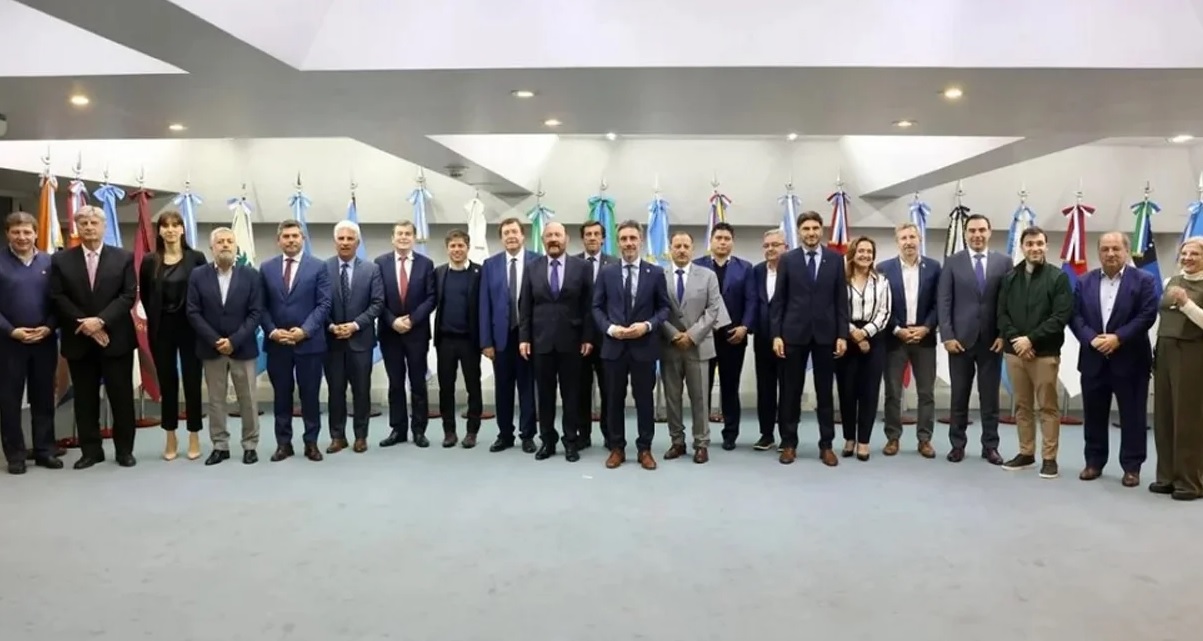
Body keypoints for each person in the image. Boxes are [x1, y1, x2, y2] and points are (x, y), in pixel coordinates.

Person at [48, 205, 137, 469]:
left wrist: (100, 321)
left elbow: (128, 295)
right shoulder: (61, 260)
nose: (89, 227)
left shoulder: (123, 257)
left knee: (121, 398)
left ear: (104, 226)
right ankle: (91, 451)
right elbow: (57, 296)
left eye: (94, 223)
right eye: (84, 223)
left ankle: (124, 450)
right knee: (85, 400)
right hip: (79, 340)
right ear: (77, 227)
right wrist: (87, 325)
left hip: (115, 339)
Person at [1069, 231, 1158, 487]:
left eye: (1116, 249)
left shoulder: (1144, 280)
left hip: (1131, 360)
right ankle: (1094, 462)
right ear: (1098, 252)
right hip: (1093, 359)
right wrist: (1091, 339)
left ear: (1126, 251)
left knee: (1133, 417)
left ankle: (1132, 467)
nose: (1110, 254)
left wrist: (1118, 338)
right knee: (1094, 415)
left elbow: (1147, 315)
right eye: (1105, 249)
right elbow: (1074, 316)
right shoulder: (1083, 281)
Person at [770, 211, 849, 466]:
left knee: (825, 393)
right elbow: (779, 301)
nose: (811, 233)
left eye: (815, 228)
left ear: (821, 230)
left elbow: (841, 301)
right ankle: (788, 444)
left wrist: (842, 335)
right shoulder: (787, 259)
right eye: (806, 229)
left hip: (826, 336)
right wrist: (776, 335)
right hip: (793, 335)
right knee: (790, 392)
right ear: (799, 232)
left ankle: (826, 445)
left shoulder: (835, 260)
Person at [593, 220, 670, 470]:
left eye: (633, 238)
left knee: (644, 401)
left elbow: (664, 308)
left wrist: (647, 326)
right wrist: (610, 329)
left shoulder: (655, 273)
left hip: (644, 348)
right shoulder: (606, 273)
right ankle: (617, 447)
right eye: (624, 239)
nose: (628, 243)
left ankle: (644, 448)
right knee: (613, 400)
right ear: (618, 242)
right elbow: (596, 307)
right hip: (613, 347)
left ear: (641, 241)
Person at [996, 226, 1073, 479]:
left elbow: (1060, 316)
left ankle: (1049, 458)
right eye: (1030, 244)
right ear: (1022, 247)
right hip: (1015, 353)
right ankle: (1026, 452)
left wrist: (1031, 340)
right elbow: (1002, 314)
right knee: (1022, 406)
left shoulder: (1058, 278)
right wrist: (1018, 341)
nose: (1035, 248)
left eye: (1039, 243)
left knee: (1048, 407)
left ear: (1046, 246)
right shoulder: (1010, 278)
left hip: (1045, 353)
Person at [186, 227, 264, 465]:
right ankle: (220, 446)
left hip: (243, 347)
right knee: (216, 400)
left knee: (248, 399)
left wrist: (234, 340)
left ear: (236, 246)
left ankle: (250, 445)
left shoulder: (251, 275)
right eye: (220, 242)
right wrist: (215, 340)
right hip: (211, 348)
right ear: (212, 248)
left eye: (230, 241)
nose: (225, 245)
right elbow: (193, 311)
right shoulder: (198, 275)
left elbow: (256, 312)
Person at [936, 213, 1008, 465]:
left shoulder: (1004, 262)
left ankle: (991, 446)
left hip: (992, 341)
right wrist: (947, 336)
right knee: (959, 396)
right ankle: (957, 445)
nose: (977, 235)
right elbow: (944, 301)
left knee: (990, 398)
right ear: (966, 234)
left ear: (990, 232)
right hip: (960, 342)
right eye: (972, 231)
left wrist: (1003, 334)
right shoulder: (952, 262)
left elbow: (1007, 302)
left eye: (981, 230)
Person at [518, 222, 593, 462]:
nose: (553, 239)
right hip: (541, 343)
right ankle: (547, 441)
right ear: (543, 239)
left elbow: (589, 305)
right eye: (549, 235)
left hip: (572, 342)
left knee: (571, 395)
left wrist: (588, 336)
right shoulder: (532, 268)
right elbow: (525, 305)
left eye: (557, 235)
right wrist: (524, 338)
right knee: (545, 396)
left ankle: (571, 441)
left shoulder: (582, 267)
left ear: (566, 239)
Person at [260, 219, 331, 462]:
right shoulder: (266, 268)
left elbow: (324, 304)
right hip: (277, 344)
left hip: (309, 344)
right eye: (286, 236)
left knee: (310, 396)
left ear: (303, 239)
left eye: (295, 236)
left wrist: (305, 330)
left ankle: (311, 443)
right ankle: (283, 444)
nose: (291, 240)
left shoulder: (319, 266)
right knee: (281, 396)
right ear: (278, 240)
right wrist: (272, 331)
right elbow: (260, 306)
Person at [139, 209, 208, 461]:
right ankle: (170, 435)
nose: (170, 230)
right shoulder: (150, 261)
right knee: (167, 383)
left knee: (192, 382)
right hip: (162, 329)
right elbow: (146, 296)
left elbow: (205, 293)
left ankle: (194, 435)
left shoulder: (196, 258)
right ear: (159, 231)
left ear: (182, 229)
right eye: (165, 226)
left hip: (191, 328)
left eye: (175, 225)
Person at [0, 212, 63, 474]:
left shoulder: (50, 262)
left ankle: (45, 450)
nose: (22, 237)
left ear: (36, 233)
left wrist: (49, 327)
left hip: (43, 341)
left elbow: (59, 301)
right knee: (9, 401)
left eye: (27, 232)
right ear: (7, 234)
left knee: (43, 398)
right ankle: (15, 455)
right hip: (8, 343)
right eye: (16, 232)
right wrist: (11, 331)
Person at [661, 231, 729, 464]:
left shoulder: (708, 276)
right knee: (672, 398)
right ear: (670, 248)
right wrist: (673, 334)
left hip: (699, 346)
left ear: (693, 248)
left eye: (686, 246)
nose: (681, 250)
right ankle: (677, 442)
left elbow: (713, 309)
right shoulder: (660, 276)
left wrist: (691, 335)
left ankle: (701, 443)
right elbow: (656, 309)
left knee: (700, 398)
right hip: (669, 346)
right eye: (677, 246)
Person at [877, 222, 941, 458]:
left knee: (926, 393)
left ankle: (924, 439)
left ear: (919, 239)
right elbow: (881, 305)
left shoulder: (934, 268)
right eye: (903, 238)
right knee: (893, 393)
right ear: (897, 242)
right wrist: (896, 329)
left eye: (912, 237)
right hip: (895, 339)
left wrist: (926, 327)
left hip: (924, 339)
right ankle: (893, 438)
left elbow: (939, 303)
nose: (908, 242)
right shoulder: (884, 269)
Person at [479, 217, 539, 453]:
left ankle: (528, 435)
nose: (511, 236)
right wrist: (486, 341)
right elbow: (484, 305)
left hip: (529, 338)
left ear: (523, 235)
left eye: (515, 231)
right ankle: (505, 434)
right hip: (500, 338)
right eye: (506, 233)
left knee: (527, 388)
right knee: (503, 389)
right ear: (501, 238)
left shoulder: (538, 261)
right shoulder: (490, 265)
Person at [323, 221, 384, 454]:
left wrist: (355, 325)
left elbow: (377, 303)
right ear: (334, 242)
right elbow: (319, 302)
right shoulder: (323, 268)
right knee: (335, 392)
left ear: (357, 243)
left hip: (361, 342)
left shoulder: (371, 269)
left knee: (361, 391)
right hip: (332, 342)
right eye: (341, 238)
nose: (345, 242)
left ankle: (361, 436)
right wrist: (331, 326)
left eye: (350, 239)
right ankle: (337, 437)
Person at [375, 220, 436, 449]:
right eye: (399, 233)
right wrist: (392, 321)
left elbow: (431, 297)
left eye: (408, 234)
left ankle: (419, 430)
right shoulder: (380, 263)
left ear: (414, 238)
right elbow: (377, 298)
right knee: (395, 383)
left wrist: (411, 319)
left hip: (416, 332)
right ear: (393, 238)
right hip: (390, 333)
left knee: (418, 383)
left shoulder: (426, 264)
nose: (403, 237)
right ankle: (398, 429)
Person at [692, 222, 754, 449]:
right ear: (711, 241)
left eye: (727, 239)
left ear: (732, 242)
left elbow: (751, 300)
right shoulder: (697, 266)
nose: (722, 242)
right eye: (718, 238)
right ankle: (702, 434)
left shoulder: (745, 268)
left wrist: (745, 327)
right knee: (702, 388)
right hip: (704, 336)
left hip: (733, 336)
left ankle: (730, 434)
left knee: (730, 386)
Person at [1151, 236, 1203, 501]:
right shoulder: (1170, 282)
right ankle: (1167, 477)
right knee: (1164, 416)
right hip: (1165, 351)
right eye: (1184, 254)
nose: (1187, 258)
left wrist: (1186, 303)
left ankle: (1190, 482)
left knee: (1188, 420)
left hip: (1192, 354)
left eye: (1194, 254)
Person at [836, 236, 891, 461]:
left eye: (869, 252)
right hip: (845, 337)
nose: (865, 255)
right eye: (861, 251)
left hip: (874, 339)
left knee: (869, 392)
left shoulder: (882, 282)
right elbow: (836, 309)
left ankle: (864, 441)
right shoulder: (841, 280)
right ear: (853, 253)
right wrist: (855, 335)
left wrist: (866, 332)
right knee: (847, 391)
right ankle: (849, 438)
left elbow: (885, 312)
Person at [434, 229, 483, 448]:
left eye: (460, 245)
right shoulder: (439, 273)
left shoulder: (479, 273)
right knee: (446, 388)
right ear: (447, 249)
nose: (457, 250)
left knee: (474, 387)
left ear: (467, 247)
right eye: (452, 246)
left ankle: (472, 431)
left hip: (470, 341)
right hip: (445, 340)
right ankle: (449, 431)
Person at [576, 221, 618, 449]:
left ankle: (610, 435)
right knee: (581, 389)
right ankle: (583, 435)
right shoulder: (572, 264)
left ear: (603, 238)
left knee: (609, 389)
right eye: (588, 234)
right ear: (582, 238)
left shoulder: (615, 264)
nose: (592, 237)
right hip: (579, 339)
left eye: (596, 234)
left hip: (607, 338)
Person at [749, 229, 785, 451]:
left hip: (788, 340)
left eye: (775, 245)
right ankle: (766, 434)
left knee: (788, 389)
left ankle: (787, 436)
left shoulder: (793, 270)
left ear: (785, 247)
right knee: (765, 388)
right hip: (762, 338)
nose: (770, 249)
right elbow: (752, 301)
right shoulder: (757, 271)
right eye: (767, 245)